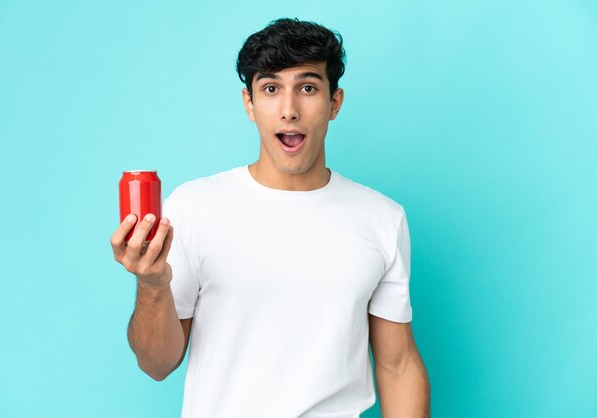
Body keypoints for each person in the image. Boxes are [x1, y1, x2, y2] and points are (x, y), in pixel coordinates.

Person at [110, 17, 430, 418]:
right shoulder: (194, 208)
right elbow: (156, 365)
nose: (289, 110)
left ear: (334, 103)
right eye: (271, 88)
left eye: (308, 88)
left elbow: (397, 365)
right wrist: (152, 283)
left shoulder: (382, 218)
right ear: (250, 104)